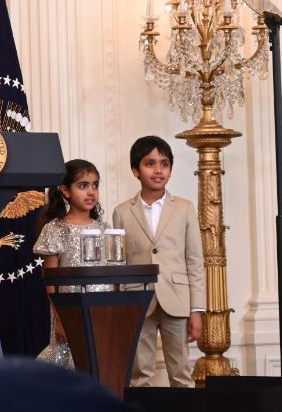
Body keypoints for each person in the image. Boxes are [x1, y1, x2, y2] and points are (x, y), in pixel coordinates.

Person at [112, 136, 205, 388]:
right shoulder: (122, 212)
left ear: (171, 170)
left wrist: (196, 310)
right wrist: (120, 306)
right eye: (150, 163)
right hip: (137, 299)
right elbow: (119, 264)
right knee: (139, 374)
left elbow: (195, 261)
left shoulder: (185, 208)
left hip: (177, 299)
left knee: (181, 373)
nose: (158, 170)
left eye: (164, 164)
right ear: (135, 170)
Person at [33, 159, 111, 369]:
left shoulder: (104, 229)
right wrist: (59, 317)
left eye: (95, 185)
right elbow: (51, 279)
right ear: (65, 191)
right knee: (70, 363)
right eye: (83, 186)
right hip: (70, 312)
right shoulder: (56, 228)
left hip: (101, 310)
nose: (91, 192)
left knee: (98, 364)